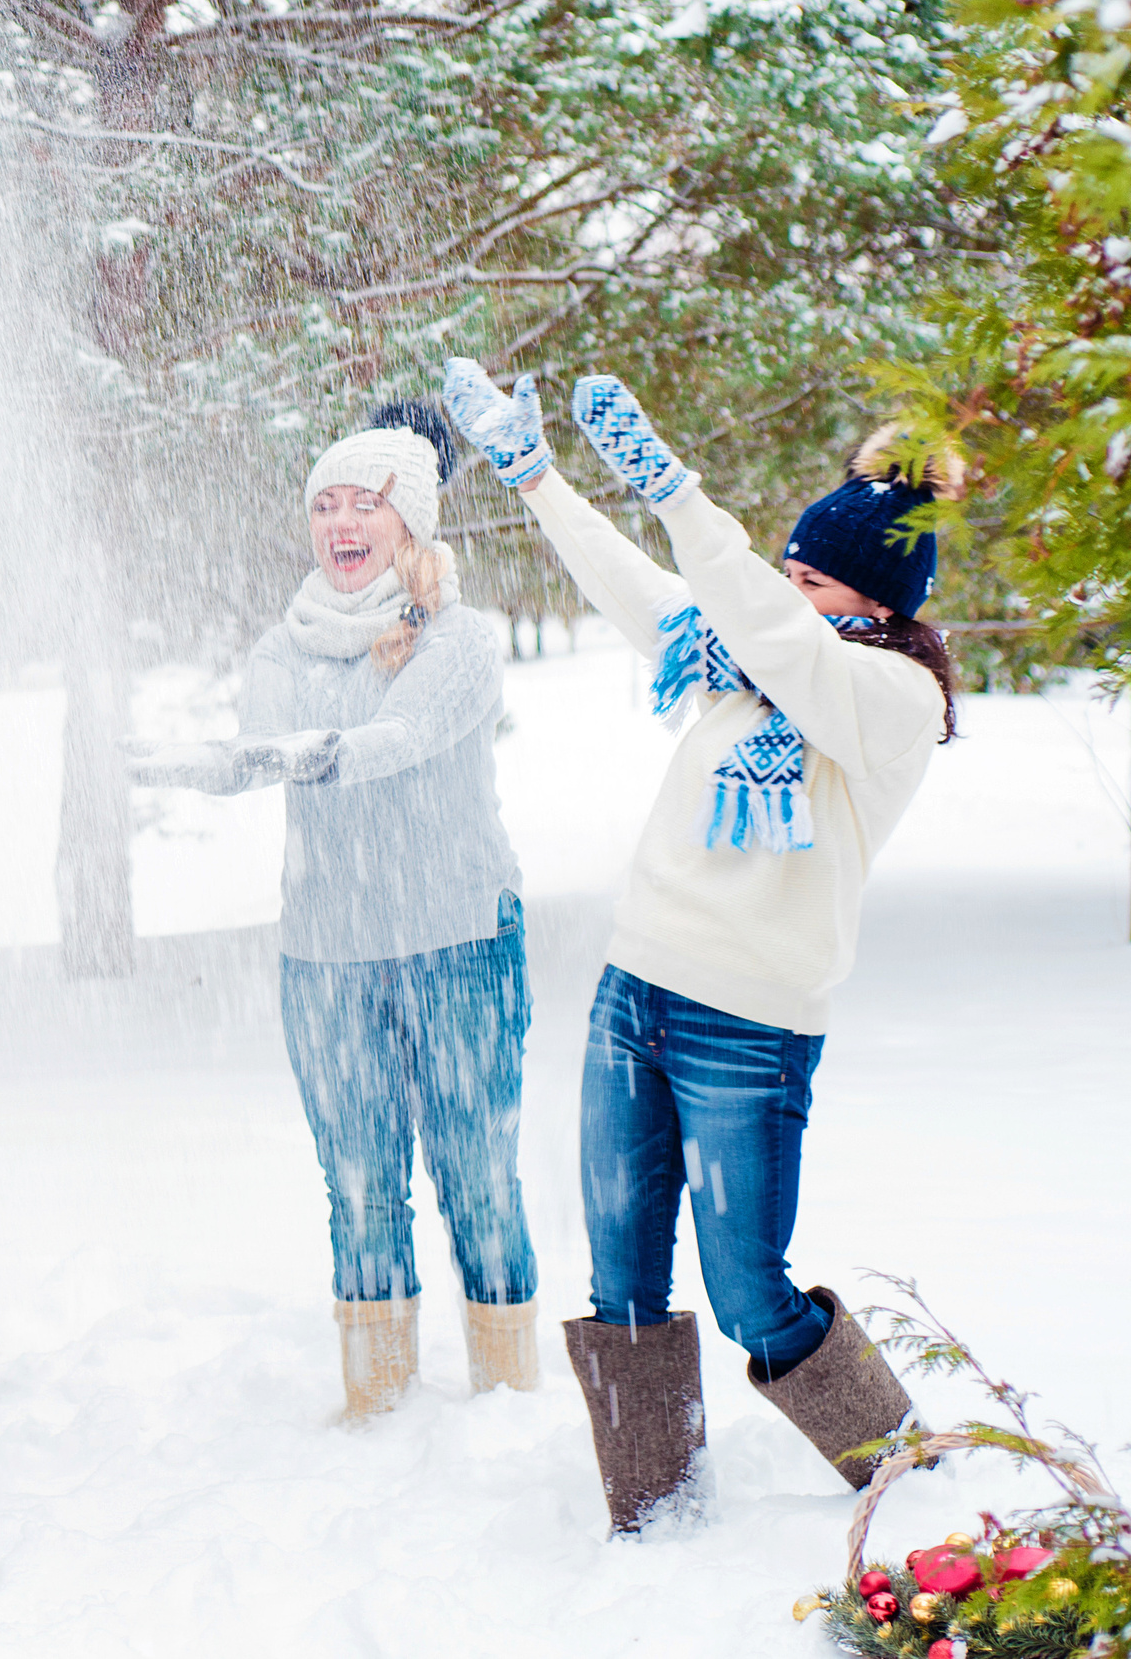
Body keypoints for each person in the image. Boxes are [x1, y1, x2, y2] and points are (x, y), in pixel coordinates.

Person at [442, 359, 954, 1534]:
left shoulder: (882, 700)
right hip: (636, 997)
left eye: (804, 575)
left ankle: (907, 1474)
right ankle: (654, 1508)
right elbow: (646, 591)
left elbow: (779, 636)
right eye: (778, 569)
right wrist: (538, 480)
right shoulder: (742, 664)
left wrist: (676, 488)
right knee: (620, 1282)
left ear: (869, 598)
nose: (776, 590)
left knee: (749, 1295)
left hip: (751, 1027)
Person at [127, 404, 538, 1424]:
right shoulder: (284, 648)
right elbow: (268, 742)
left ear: (409, 522)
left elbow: (390, 740)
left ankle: (509, 1395)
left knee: (475, 1173)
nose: (340, 521)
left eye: (365, 502)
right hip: (328, 951)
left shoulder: (463, 640)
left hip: (458, 938)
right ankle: (378, 1400)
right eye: (324, 504)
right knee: (357, 1177)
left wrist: (291, 754)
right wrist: (206, 767)